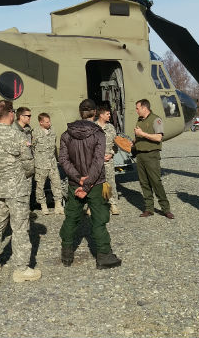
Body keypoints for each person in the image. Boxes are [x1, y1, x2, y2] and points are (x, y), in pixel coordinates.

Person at [0, 100, 41, 283]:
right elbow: (29, 164)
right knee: (20, 229)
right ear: (11, 113)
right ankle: (21, 269)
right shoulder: (17, 135)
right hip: (16, 189)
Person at [59, 99, 121, 269]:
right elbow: (98, 161)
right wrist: (86, 184)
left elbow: (63, 160)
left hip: (74, 184)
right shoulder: (99, 134)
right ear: (94, 113)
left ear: (80, 113)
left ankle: (66, 254)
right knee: (99, 219)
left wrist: (78, 178)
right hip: (95, 184)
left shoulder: (66, 134)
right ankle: (103, 255)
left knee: (71, 218)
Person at [133, 99, 173, 219]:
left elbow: (158, 137)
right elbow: (138, 137)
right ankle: (149, 209)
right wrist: (133, 143)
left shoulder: (156, 119)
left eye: (137, 108)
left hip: (151, 155)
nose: (136, 110)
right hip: (140, 155)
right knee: (144, 183)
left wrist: (143, 134)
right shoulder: (139, 121)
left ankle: (166, 209)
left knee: (156, 182)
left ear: (144, 108)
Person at [32, 113, 64, 215]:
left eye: (49, 121)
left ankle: (58, 205)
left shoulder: (52, 131)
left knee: (57, 184)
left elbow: (54, 146)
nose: (49, 123)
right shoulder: (35, 133)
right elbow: (32, 148)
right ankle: (43, 205)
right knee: (40, 186)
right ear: (41, 122)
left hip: (52, 163)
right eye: (47, 122)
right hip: (41, 164)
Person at [96, 103, 120, 215]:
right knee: (95, 184)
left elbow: (116, 144)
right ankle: (93, 206)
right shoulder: (93, 128)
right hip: (95, 162)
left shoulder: (111, 128)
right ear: (101, 115)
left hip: (108, 161)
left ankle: (112, 204)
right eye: (107, 114)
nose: (109, 115)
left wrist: (111, 153)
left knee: (110, 183)